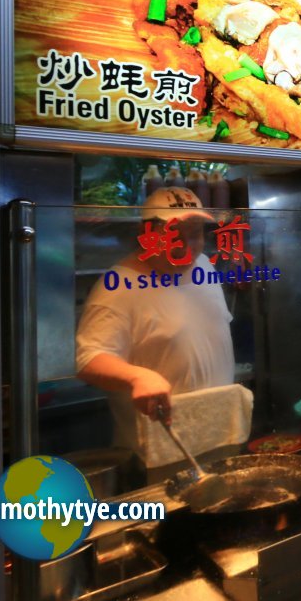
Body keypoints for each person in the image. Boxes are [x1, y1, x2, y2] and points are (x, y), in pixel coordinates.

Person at [76, 186, 235, 446]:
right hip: (158, 447)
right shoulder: (118, 285)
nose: (187, 246)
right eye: (174, 235)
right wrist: (137, 376)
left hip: (218, 433)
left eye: (195, 235)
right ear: (145, 234)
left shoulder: (204, 265)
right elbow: (88, 361)